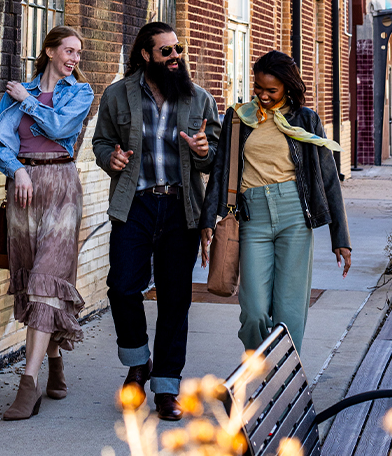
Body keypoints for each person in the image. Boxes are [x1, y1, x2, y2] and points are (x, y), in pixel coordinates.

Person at [92, 22, 221, 421]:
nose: (175, 57)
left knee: (175, 298)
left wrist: (203, 150)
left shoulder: (198, 98)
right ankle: (138, 362)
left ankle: (166, 387)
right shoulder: (117, 95)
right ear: (146, 55)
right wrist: (108, 158)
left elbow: (214, 153)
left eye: (177, 49)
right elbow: (101, 141)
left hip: (181, 208)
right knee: (122, 288)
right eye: (165, 51)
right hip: (135, 204)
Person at [200, 50, 351, 354]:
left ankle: (283, 380)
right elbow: (221, 171)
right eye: (259, 88)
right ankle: (260, 369)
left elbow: (328, 177)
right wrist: (208, 220)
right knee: (254, 310)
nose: (264, 96)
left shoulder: (306, 120)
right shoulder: (238, 118)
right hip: (251, 216)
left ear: (287, 87)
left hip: (294, 215)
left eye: (272, 90)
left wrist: (340, 237)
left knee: (290, 310)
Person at [0, 26, 94, 421]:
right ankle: (53, 360)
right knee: (33, 280)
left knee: (47, 278)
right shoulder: (17, 91)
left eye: (78, 54)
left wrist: (28, 101)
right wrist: (18, 171)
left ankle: (27, 386)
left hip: (62, 187)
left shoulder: (79, 93)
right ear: (49, 51)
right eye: (68, 51)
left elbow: (61, 128)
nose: (74, 59)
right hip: (24, 188)